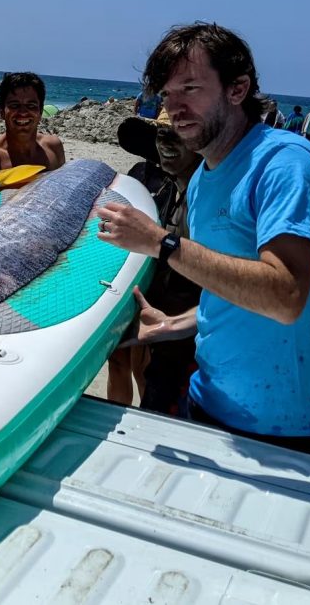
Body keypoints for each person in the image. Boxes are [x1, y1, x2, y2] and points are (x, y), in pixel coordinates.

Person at [97, 23, 310, 462]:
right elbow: (233, 287)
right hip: (209, 402)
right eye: (167, 94)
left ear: (238, 89)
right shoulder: (202, 180)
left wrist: (163, 243)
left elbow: (285, 295)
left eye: (190, 88)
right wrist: (175, 324)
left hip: (295, 425)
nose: (174, 108)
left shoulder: (284, 163)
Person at [107, 109, 202, 414]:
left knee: (150, 376)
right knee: (125, 363)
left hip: (183, 317)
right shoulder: (143, 177)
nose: (168, 144)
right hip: (143, 293)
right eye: (162, 134)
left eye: (178, 134)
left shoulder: (203, 194)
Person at [0, 72, 66, 195]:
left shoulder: (53, 147)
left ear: (40, 111)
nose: (23, 112)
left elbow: (61, 194)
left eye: (31, 105)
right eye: (14, 105)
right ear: (2, 112)